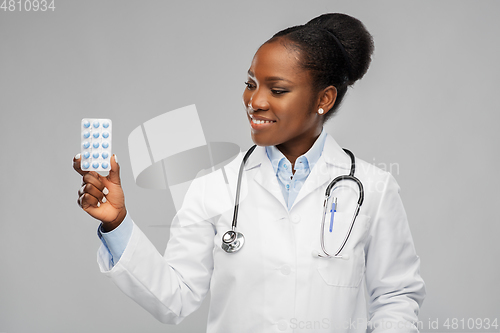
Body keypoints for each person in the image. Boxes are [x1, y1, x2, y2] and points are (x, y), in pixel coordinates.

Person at [73, 13, 425, 333]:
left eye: (277, 89)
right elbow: (175, 298)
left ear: (325, 99)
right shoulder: (214, 187)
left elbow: (395, 297)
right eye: (251, 83)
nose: (254, 101)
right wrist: (117, 223)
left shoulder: (373, 189)